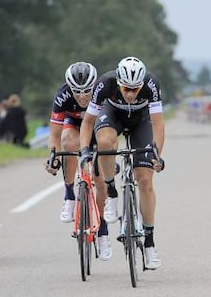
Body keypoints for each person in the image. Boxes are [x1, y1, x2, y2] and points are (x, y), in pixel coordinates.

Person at [79, 56, 165, 269]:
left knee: (145, 181)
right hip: (113, 116)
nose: (130, 93)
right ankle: (112, 192)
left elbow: (158, 125)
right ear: (118, 82)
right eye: (126, 88)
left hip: (140, 122)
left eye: (135, 89)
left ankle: (150, 244)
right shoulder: (105, 83)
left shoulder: (151, 84)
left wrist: (157, 155)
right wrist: (83, 151)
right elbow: (88, 122)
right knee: (106, 142)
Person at [44, 62, 112, 261]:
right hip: (74, 126)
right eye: (77, 91)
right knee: (68, 142)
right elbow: (54, 135)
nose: (82, 96)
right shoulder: (62, 96)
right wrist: (53, 156)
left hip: (97, 127)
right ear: (69, 88)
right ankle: (69, 195)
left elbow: (111, 129)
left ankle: (103, 231)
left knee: (100, 182)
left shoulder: (104, 92)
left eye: (87, 91)